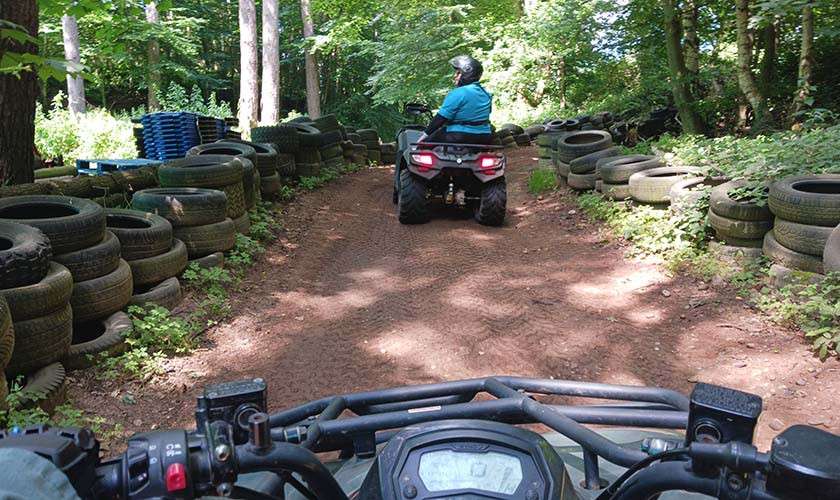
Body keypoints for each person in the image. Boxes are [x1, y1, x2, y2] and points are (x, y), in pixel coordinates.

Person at [419, 56, 493, 145]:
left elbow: (441, 118)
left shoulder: (459, 93)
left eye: (458, 73)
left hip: (458, 135)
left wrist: (424, 136)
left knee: (422, 147)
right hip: (484, 136)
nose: (455, 76)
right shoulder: (486, 94)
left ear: (467, 73)